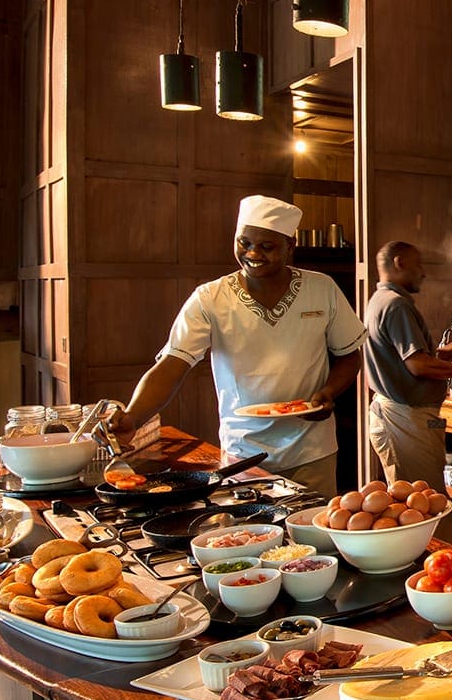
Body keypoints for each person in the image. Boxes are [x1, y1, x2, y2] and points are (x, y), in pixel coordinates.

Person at [112, 196, 365, 496]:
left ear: (290, 246)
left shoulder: (321, 289)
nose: (253, 253)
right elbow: (172, 364)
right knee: (253, 531)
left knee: (312, 533)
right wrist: (133, 417)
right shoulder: (210, 298)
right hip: (243, 451)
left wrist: (328, 392)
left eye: (267, 246)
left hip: (311, 449)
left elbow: (349, 355)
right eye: (244, 243)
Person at [362, 241, 452, 489]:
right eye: (418, 264)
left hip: (400, 415)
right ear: (399, 263)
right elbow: (419, 366)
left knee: (417, 501)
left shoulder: (380, 299)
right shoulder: (396, 305)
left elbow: (424, 358)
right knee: (425, 503)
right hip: (406, 418)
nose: (423, 272)